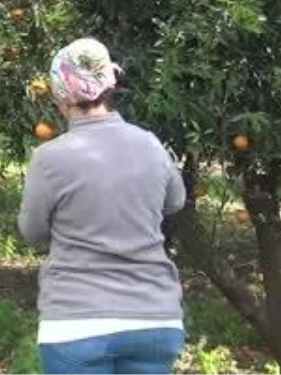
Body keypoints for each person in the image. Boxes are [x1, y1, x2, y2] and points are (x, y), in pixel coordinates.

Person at [18, 38, 187, 374]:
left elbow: (33, 232)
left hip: (76, 323)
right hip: (153, 319)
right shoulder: (150, 145)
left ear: (60, 96)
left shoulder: (50, 158)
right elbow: (175, 202)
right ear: (110, 85)